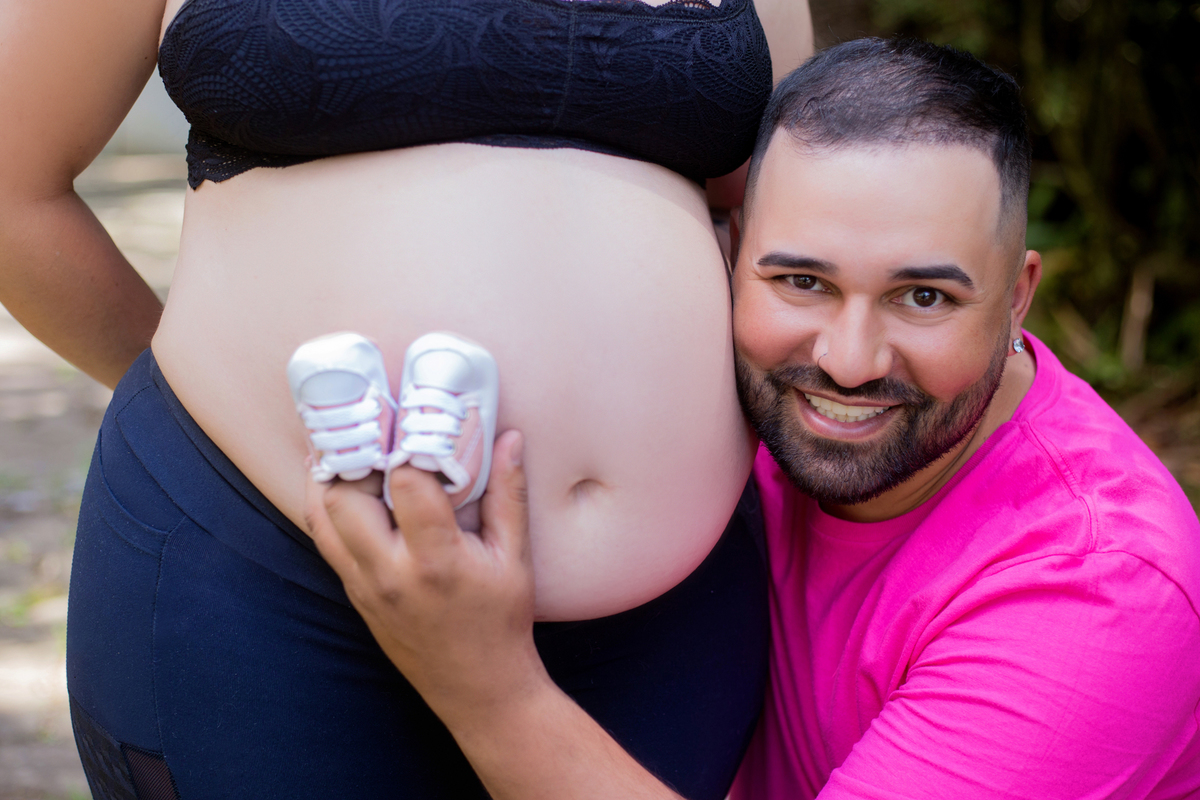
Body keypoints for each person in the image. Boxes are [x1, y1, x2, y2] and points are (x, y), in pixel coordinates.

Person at [304, 38, 1200, 799]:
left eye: (922, 296)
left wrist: (485, 685)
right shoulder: (725, 387)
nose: (849, 360)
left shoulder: (1097, 589)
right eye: (802, 282)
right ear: (728, 256)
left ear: (1017, 299)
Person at [0, 0, 815, 797]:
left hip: (662, 617)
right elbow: (14, 185)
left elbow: (783, 214)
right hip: (266, 568)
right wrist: (204, 392)